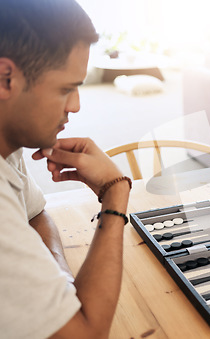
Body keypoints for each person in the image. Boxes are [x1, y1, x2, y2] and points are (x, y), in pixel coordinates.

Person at [0, 0, 131, 337]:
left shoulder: (7, 140)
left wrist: (58, 277)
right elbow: (87, 334)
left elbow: (35, 214)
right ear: (5, 78)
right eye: (65, 88)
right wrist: (115, 192)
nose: (75, 105)